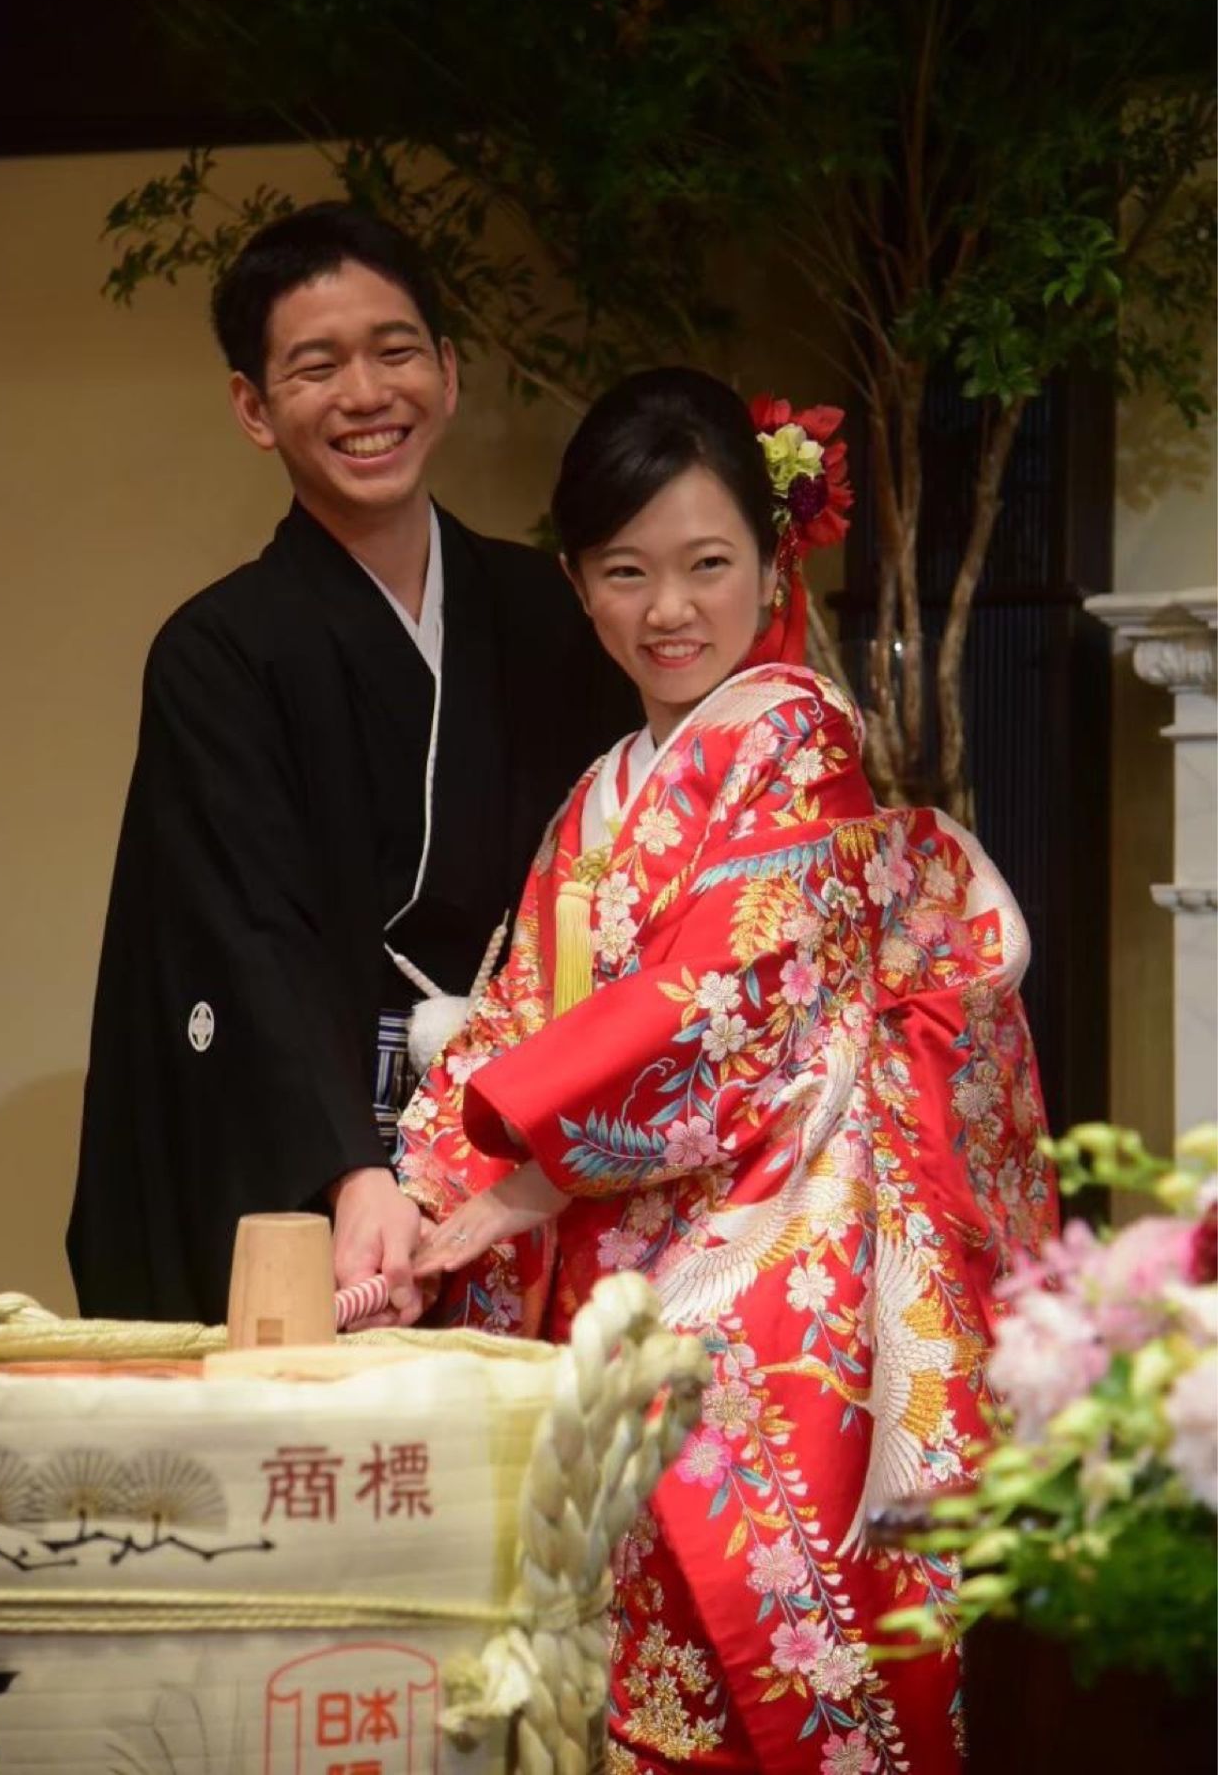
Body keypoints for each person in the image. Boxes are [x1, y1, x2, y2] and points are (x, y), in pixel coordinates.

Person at [396, 368, 1056, 1772]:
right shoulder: (600, 792)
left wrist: (527, 1176)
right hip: (611, 1261)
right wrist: (424, 1193)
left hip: (771, 1243)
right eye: (625, 571)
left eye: (706, 564)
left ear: (771, 563)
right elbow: (514, 1015)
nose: (669, 608)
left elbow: (726, 995)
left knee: (756, 1625)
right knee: (615, 1665)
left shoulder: (796, 736)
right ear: (577, 584)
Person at [66, 203, 633, 1326]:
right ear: (253, 407)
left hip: (531, 1145)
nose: (367, 395)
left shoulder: (547, 611)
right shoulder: (219, 652)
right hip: (340, 1159)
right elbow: (245, 937)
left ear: (448, 373)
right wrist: (346, 1167)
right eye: (317, 366)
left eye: (394, 351)